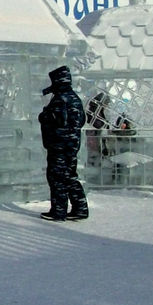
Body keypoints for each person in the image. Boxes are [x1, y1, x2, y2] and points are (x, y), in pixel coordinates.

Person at [38, 65, 88, 221]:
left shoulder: (60, 100)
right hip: (72, 145)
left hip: (59, 145)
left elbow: (57, 122)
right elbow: (81, 120)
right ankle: (80, 208)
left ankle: (58, 211)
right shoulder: (74, 98)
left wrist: (44, 116)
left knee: (57, 177)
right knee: (70, 176)